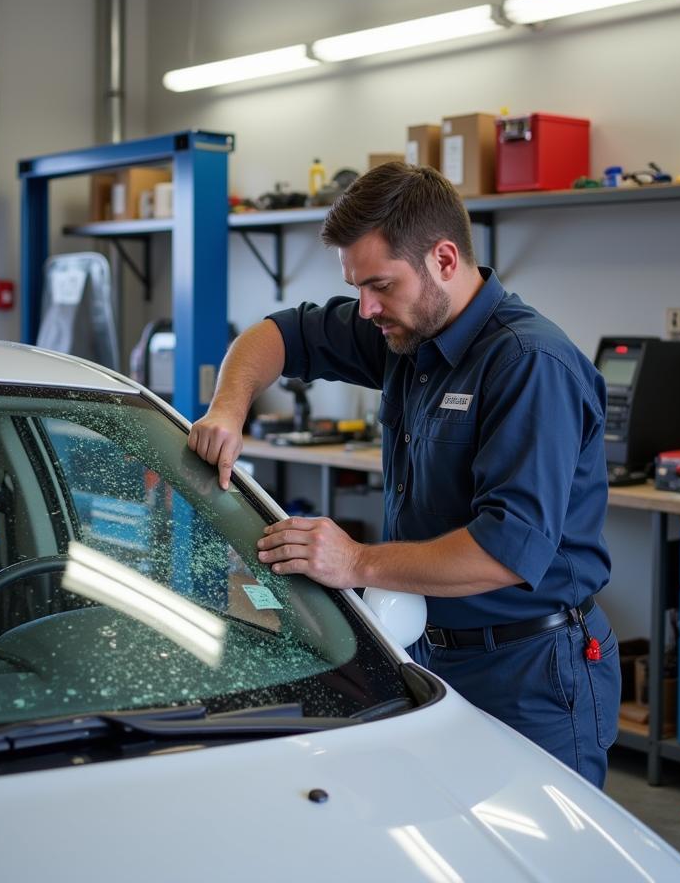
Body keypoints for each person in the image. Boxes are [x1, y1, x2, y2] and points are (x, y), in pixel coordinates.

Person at [188, 160, 621, 788]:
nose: (365, 308)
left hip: (531, 672)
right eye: (357, 286)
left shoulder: (530, 365)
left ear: (444, 260)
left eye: (381, 285)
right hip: (425, 652)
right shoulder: (405, 334)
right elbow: (276, 334)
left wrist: (356, 563)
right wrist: (228, 407)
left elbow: (505, 552)